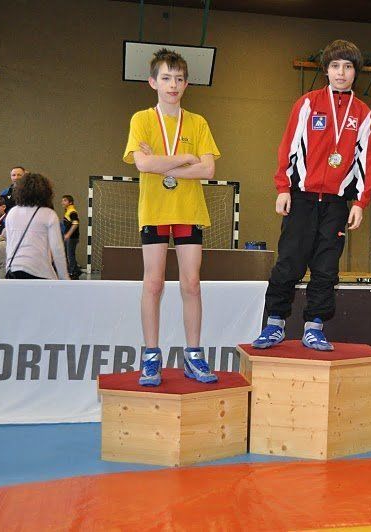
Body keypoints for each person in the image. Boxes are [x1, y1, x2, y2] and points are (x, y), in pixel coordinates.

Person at [252, 39, 371, 351]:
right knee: (289, 262)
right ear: (326, 70)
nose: (341, 72)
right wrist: (283, 188)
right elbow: (289, 146)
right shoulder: (307, 103)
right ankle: (274, 324)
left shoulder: (362, 113)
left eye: (347, 67)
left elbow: (366, 160)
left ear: (356, 72)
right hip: (302, 197)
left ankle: (315, 327)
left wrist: (360, 202)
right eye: (335, 66)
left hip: (336, 203)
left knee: (326, 268)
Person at [123, 48, 221, 387]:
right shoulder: (141, 119)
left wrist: (164, 164)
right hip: (154, 211)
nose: (173, 85)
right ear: (153, 82)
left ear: (186, 84)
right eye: (166, 78)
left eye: (179, 79)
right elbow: (142, 164)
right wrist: (185, 158)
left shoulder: (198, 122)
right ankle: (151, 356)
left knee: (191, 284)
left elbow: (208, 170)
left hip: (188, 211)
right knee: (153, 283)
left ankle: (193, 354)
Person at [3, 173, 68, 280]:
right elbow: (57, 249)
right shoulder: (49, 214)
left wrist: (8, 268)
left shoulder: (12, 213)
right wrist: (64, 278)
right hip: (39, 270)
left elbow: (9, 245)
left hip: (14, 269)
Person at [61, 195, 82, 279]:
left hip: (72, 238)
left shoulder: (72, 212)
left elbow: (75, 223)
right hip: (69, 237)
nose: (62, 202)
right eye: (62, 200)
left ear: (70, 202)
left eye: (65, 200)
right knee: (67, 254)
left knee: (70, 255)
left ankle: (74, 272)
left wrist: (68, 234)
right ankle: (75, 270)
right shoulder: (68, 211)